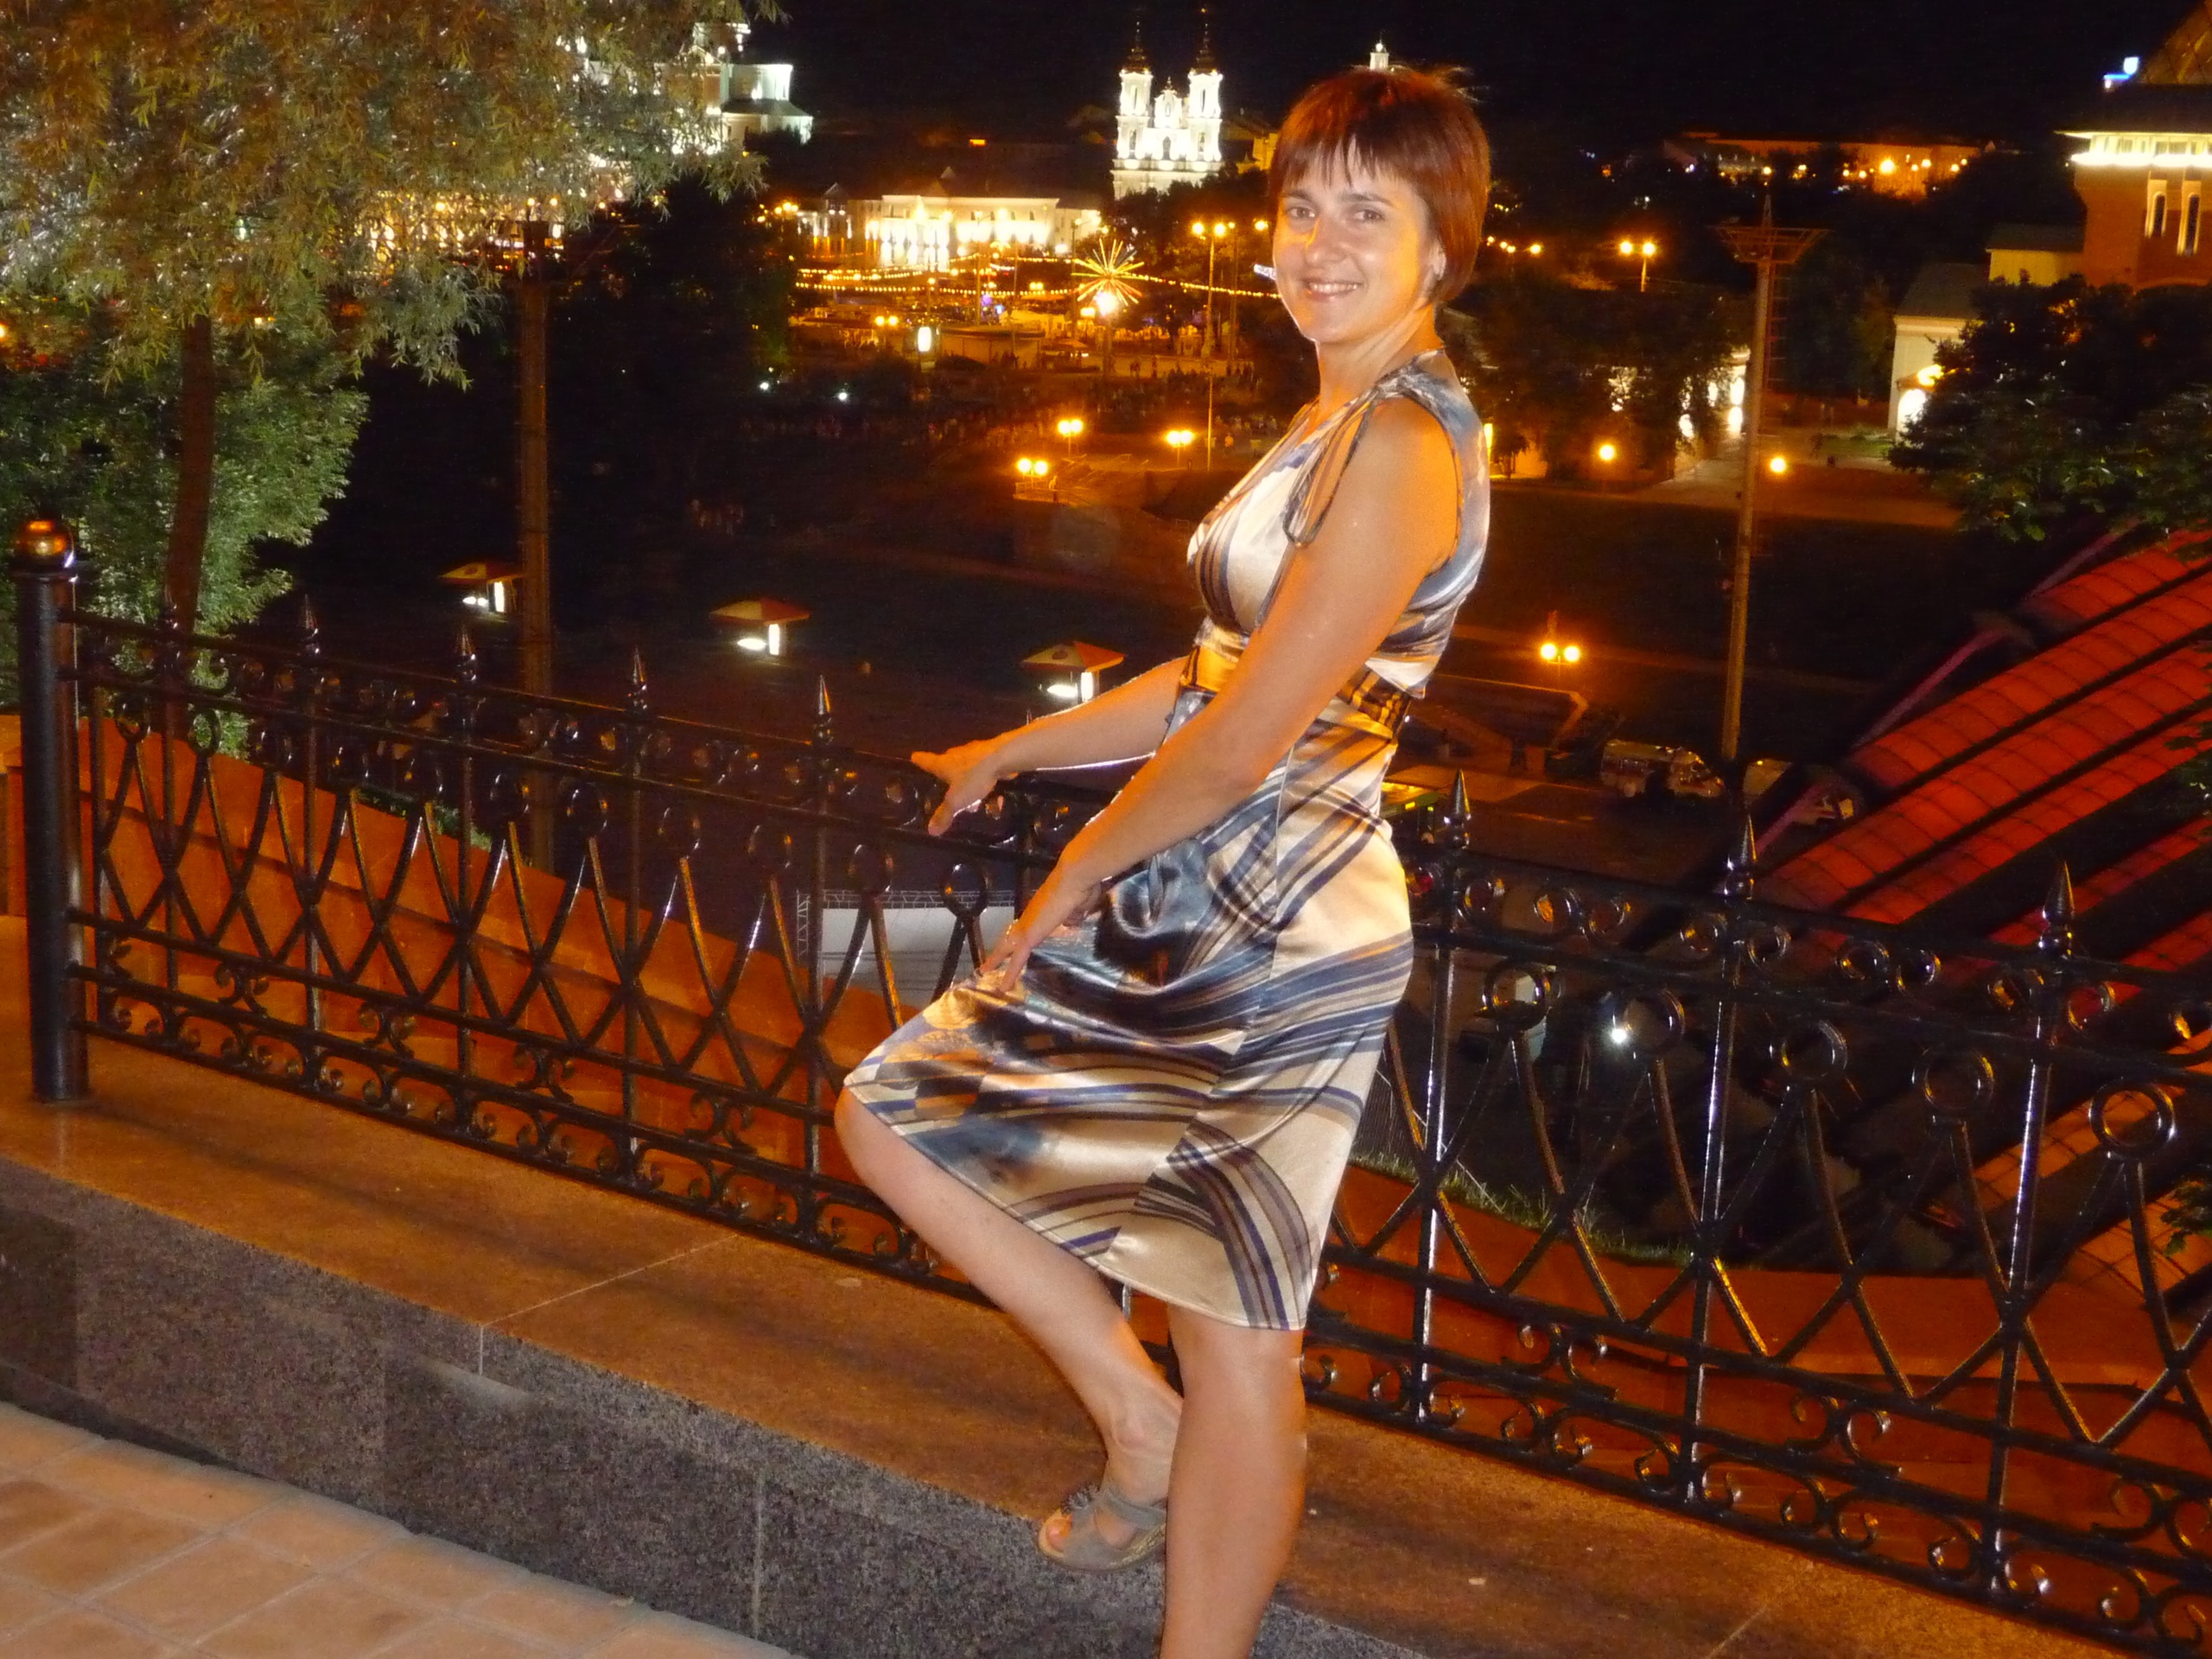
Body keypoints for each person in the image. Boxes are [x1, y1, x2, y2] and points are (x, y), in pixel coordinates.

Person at [836, 63, 1491, 1659]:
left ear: (1444, 246)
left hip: (1280, 920)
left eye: (1368, 213)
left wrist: (1075, 870)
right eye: (1301, 208)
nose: (1320, 245)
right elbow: (1210, 672)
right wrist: (1019, 750)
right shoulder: (1335, 419)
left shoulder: (1406, 444)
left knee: (1234, 1326)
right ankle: (1139, 1427)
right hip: (1204, 889)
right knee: (894, 1123)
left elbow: (1251, 733)